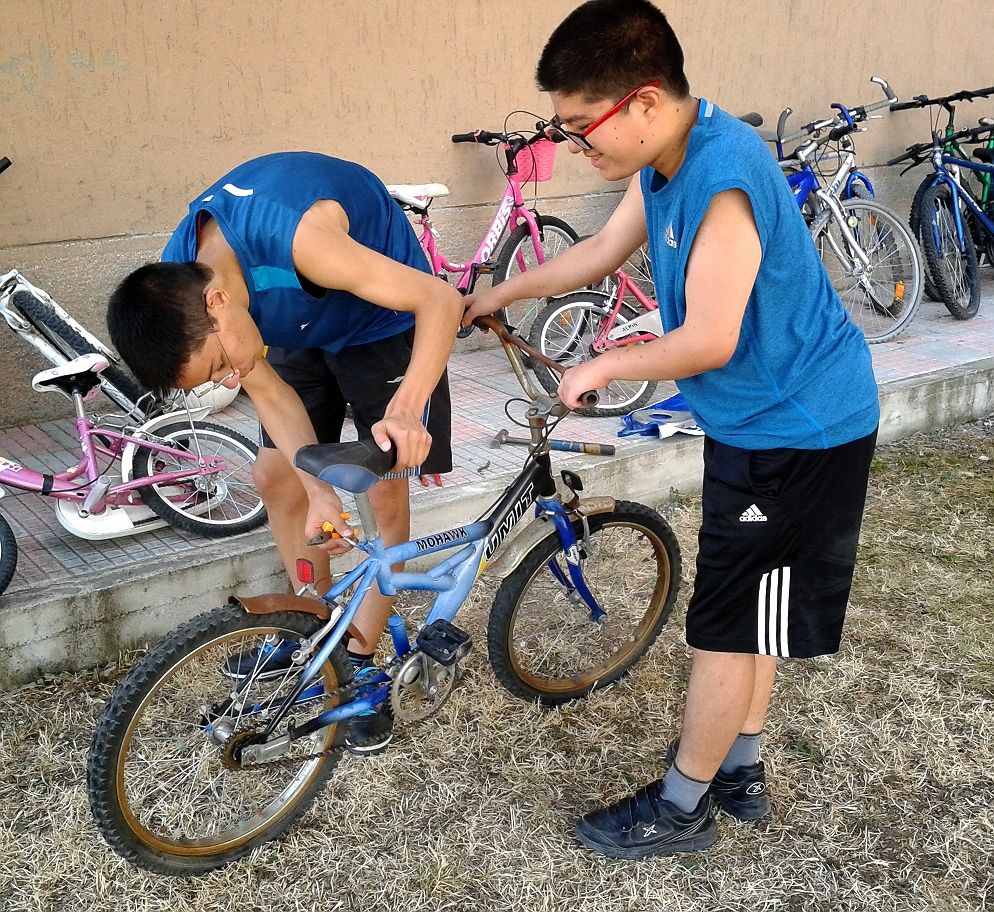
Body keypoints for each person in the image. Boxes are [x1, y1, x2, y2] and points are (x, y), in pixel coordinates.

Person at [464, 0, 879, 859]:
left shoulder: (722, 176)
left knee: (725, 625)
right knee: (754, 614)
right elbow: (605, 250)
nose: (580, 147)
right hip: (765, 420)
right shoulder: (666, 158)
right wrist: (501, 292)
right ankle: (740, 770)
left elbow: (712, 338)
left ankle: (682, 808)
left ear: (645, 101)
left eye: (583, 128)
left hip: (798, 430)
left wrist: (606, 365)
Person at [108, 151, 463, 755]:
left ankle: (361, 663)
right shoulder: (182, 286)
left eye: (220, 366)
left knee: (381, 486)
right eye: (213, 378)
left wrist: (406, 406)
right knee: (277, 477)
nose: (228, 381)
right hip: (291, 323)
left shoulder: (298, 239)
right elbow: (266, 386)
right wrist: (319, 490)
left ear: (217, 305)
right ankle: (311, 627)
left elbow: (441, 301)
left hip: (381, 320)